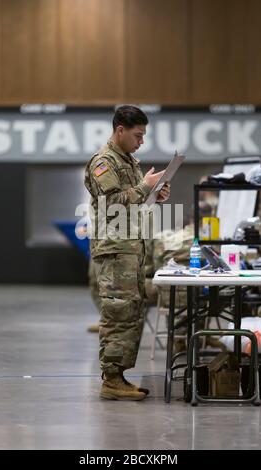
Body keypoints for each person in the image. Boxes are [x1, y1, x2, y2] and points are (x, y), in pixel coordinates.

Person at [84, 105, 170, 400]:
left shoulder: (127, 161)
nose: (141, 141)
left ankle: (119, 377)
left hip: (131, 249)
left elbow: (133, 206)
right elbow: (112, 204)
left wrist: (153, 194)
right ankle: (111, 379)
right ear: (120, 129)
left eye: (143, 135)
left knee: (132, 311)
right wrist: (144, 186)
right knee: (118, 312)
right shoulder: (103, 162)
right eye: (137, 135)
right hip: (115, 251)